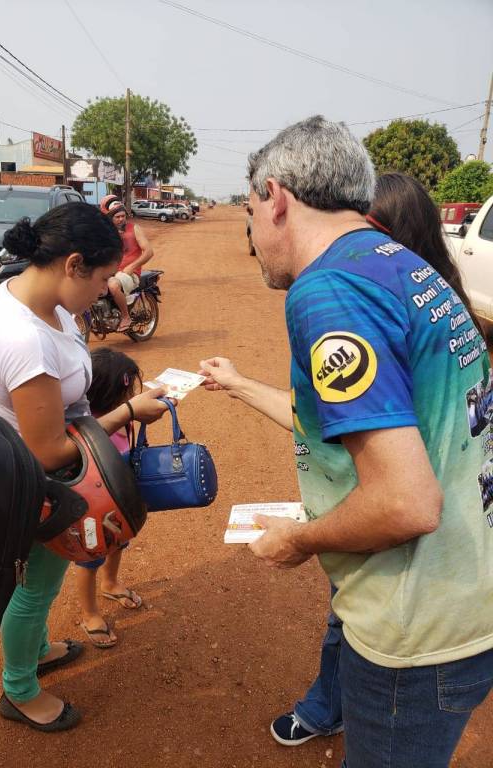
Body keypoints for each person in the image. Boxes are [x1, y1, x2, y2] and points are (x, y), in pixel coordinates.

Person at [199, 116, 493, 767]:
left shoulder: (328, 290)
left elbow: (405, 503)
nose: (252, 236)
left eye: (249, 213)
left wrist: (299, 540)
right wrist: (241, 385)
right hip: (463, 597)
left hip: (414, 630)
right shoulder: (404, 265)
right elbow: (358, 425)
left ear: (275, 197)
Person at [0, 202, 171, 732]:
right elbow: (47, 451)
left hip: (52, 469)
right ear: (73, 264)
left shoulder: (39, 301)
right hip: (39, 480)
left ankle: (37, 649)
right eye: (105, 278)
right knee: (35, 588)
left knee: (42, 580)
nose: (106, 289)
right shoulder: (27, 340)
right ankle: (19, 690)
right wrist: (128, 412)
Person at [75, 347, 144, 648]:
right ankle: (89, 613)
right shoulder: (87, 426)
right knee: (89, 559)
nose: (131, 397)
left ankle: (111, 583)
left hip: (120, 505)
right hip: (93, 512)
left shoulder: (123, 419)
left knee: (120, 543)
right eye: (127, 392)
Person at [102, 199, 154, 331]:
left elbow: (149, 252)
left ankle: (126, 317)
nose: (121, 219)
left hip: (130, 274)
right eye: (117, 217)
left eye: (123, 216)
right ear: (110, 218)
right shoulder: (106, 233)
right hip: (111, 272)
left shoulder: (134, 229)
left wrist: (132, 267)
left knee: (113, 284)